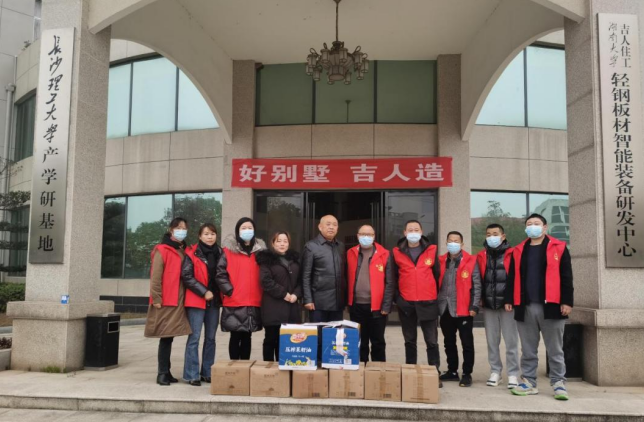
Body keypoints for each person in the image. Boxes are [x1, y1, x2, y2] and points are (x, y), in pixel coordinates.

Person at [506, 213, 573, 401]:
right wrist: (509, 299)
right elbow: (512, 276)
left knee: (555, 349)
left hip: (552, 306)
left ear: (545, 227)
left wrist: (567, 301)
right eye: (529, 223)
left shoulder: (558, 247)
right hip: (525, 306)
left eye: (536, 223)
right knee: (528, 349)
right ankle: (529, 382)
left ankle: (558, 383)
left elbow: (567, 276)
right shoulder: (519, 250)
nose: (532, 226)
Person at [144, 217, 192, 386]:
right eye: (178, 228)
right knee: (165, 336)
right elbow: (155, 276)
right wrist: (156, 298)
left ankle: (167, 371)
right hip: (166, 300)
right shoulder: (162, 249)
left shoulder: (183, 249)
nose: (182, 231)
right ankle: (162, 373)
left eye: (184, 228)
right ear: (171, 230)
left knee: (169, 336)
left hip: (179, 299)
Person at [390, 220, 441, 372]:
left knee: (431, 340)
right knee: (410, 340)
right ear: (405, 233)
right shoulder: (397, 252)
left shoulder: (431, 250)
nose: (413, 232)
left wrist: (433, 294)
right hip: (406, 303)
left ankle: (434, 371)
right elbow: (392, 278)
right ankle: (410, 371)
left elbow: (437, 275)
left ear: (421, 232)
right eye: (410, 230)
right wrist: (398, 299)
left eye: (416, 229)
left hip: (428, 302)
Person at [216, 217, 266, 360]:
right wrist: (229, 291)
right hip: (235, 300)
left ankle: (244, 367)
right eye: (243, 228)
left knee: (247, 336)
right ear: (238, 231)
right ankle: (234, 367)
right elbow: (220, 274)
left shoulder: (260, 252)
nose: (247, 230)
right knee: (235, 335)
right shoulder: (228, 251)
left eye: (250, 228)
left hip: (254, 300)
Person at [476, 223, 519, 389]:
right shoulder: (481, 256)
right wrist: (480, 299)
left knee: (511, 341)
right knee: (492, 341)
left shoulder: (512, 254)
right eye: (488, 234)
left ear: (503, 236)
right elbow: (479, 279)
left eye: (495, 234)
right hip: (489, 305)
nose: (491, 237)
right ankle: (495, 371)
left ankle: (513, 373)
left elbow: (515, 279)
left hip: (508, 305)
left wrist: (511, 300)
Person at [437, 231, 482, 388]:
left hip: (464, 309)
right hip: (445, 308)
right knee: (449, 342)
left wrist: (474, 306)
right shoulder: (441, 260)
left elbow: (477, 285)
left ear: (462, 244)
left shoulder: (471, 260)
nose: (453, 243)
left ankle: (467, 373)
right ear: (446, 243)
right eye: (450, 240)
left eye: (456, 241)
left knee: (466, 343)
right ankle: (452, 371)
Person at [181, 223, 221, 386]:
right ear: (199, 236)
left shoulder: (221, 253)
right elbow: (187, 276)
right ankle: (192, 374)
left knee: (211, 338)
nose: (209, 237)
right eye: (206, 234)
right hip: (197, 300)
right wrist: (204, 292)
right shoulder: (191, 253)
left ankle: (207, 372)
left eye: (212, 234)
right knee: (194, 338)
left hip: (214, 301)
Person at [346, 224, 394, 362]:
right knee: (360, 341)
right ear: (358, 236)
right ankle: (362, 368)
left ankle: (378, 371)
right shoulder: (350, 253)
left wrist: (386, 305)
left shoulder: (385, 254)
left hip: (377, 307)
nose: (366, 237)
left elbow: (390, 282)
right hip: (357, 306)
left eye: (369, 234)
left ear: (374, 236)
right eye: (363, 234)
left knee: (378, 342)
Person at [256, 231, 302, 361]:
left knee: (286, 341)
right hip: (273, 307)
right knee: (271, 340)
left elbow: (301, 281)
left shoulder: (295, 261)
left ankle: (283, 366)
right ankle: (269, 367)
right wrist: (284, 294)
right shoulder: (267, 260)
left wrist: (296, 294)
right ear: (273, 243)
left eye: (285, 241)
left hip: (291, 307)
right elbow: (265, 281)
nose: (282, 244)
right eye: (279, 241)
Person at [302, 215, 346, 323]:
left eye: (334, 225)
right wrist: (308, 299)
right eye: (328, 224)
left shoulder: (340, 246)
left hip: (338, 303)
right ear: (320, 227)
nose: (331, 227)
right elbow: (305, 275)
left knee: (335, 333)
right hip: (318, 303)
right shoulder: (311, 246)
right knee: (319, 332)